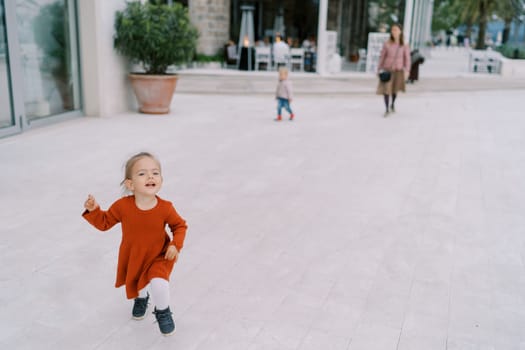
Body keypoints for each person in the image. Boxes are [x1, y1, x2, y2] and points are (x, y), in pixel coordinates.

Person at [82, 152, 188, 336]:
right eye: (142, 173)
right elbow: (104, 222)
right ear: (130, 184)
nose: (150, 177)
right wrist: (94, 211)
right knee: (138, 282)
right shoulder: (123, 206)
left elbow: (179, 225)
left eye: (155, 173)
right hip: (135, 255)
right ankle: (141, 298)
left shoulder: (165, 208)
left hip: (160, 255)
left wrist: (175, 245)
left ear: (161, 179)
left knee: (158, 282)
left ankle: (163, 312)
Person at [376, 23, 411, 117]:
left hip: (398, 71)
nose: (394, 32)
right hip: (387, 70)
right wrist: (379, 69)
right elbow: (382, 57)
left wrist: (407, 70)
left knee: (395, 90)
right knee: (386, 90)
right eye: (392, 30)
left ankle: (392, 104)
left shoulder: (404, 45)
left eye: (396, 30)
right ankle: (387, 109)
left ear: (400, 31)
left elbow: (407, 59)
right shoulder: (387, 44)